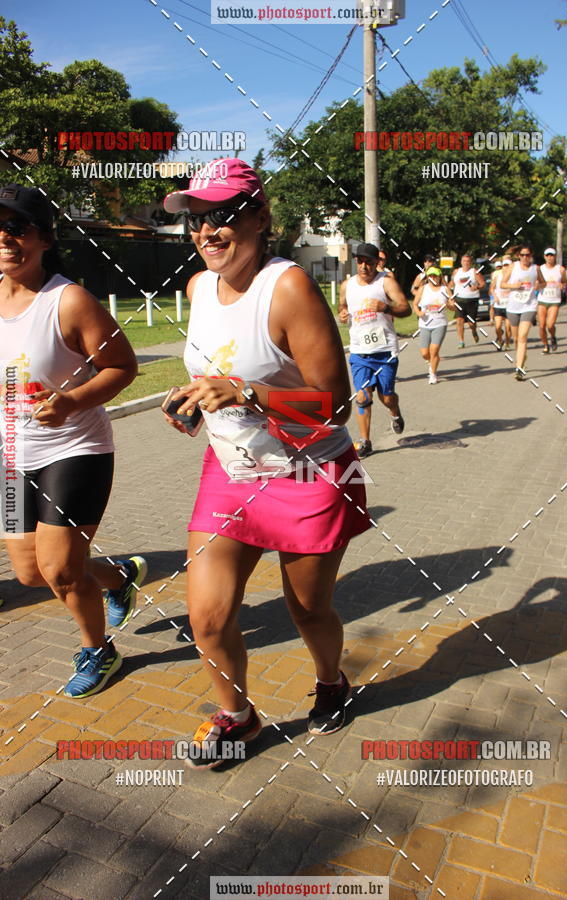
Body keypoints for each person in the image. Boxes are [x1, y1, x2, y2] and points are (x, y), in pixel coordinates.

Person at [162, 159, 371, 767]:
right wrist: (195, 403)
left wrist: (249, 394)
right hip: (230, 471)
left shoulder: (288, 288)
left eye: (221, 215)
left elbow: (333, 404)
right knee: (206, 617)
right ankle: (239, 717)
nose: (206, 231)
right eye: (195, 221)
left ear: (259, 217)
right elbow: (215, 372)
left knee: (307, 609)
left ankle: (332, 680)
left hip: (311, 473)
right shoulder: (200, 287)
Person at [0, 184, 146, 697]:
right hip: (11, 461)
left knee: (59, 568)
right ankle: (118, 576)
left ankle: (99, 652)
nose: (5, 237)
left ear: (44, 237)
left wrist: (69, 401)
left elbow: (122, 366)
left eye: (16, 227)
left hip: (74, 448)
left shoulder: (68, 300)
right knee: (30, 574)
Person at [338, 242, 411, 459]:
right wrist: (342, 313)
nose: (364, 267)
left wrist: (386, 307)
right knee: (362, 397)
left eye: (368, 263)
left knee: (386, 396)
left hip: (385, 350)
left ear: (376, 263)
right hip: (360, 351)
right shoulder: (347, 285)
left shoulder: (386, 283)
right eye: (360, 262)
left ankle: (395, 412)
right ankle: (365, 440)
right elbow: (342, 305)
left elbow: (405, 308)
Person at [501, 245, 546, 380]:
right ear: (518, 256)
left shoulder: (535, 268)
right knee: (516, 340)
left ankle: (519, 369)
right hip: (513, 306)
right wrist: (514, 286)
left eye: (527, 255)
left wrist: (539, 285)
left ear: (531, 255)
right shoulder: (513, 267)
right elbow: (502, 284)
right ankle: (522, 357)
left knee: (522, 337)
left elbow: (544, 283)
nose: (525, 257)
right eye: (522, 255)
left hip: (529, 306)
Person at [412, 267, 455, 383]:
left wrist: (448, 305)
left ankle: (433, 373)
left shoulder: (445, 289)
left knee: (434, 350)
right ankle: (432, 361)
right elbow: (415, 304)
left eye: (435, 276)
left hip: (440, 322)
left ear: (440, 277)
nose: (433, 278)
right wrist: (419, 313)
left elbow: (453, 306)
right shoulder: (423, 289)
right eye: (430, 276)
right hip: (425, 323)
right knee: (425, 353)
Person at [450, 253, 486, 348]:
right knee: (459, 320)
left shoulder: (474, 272)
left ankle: (474, 330)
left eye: (468, 261)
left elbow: (483, 284)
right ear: (461, 262)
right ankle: (461, 341)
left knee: (471, 323)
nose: (466, 263)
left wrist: (477, 287)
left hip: (472, 300)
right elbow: (452, 284)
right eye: (464, 261)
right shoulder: (456, 271)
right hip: (459, 299)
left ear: (471, 263)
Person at [538, 248, 566, 353]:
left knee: (550, 324)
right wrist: (539, 285)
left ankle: (553, 337)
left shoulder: (560, 269)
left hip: (554, 300)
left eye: (552, 255)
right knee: (541, 326)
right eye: (548, 255)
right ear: (544, 256)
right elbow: (536, 283)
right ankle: (545, 345)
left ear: (555, 257)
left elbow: (564, 282)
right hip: (542, 299)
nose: (550, 257)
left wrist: (562, 285)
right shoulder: (540, 269)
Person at [489, 260, 511, 350]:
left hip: (509, 306)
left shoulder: (514, 277)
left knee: (508, 327)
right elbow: (492, 288)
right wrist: (495, 297)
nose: (506, 267)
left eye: (508, 265)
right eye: (504, 265)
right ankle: (501, 340)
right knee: (497, 327)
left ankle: (507, 343)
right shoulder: (498, 277)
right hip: (499, 305)